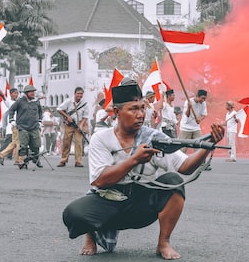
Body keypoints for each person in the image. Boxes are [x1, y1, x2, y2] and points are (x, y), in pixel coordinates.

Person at [61, 80, 225, 259]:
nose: (140, 114)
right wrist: (134, 159)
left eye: (142, 108)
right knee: (74, 212)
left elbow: (184, 167)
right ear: (117, 112)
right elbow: (100, 180)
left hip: (141, 205)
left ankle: (164, 242)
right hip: (109, 202)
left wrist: (208, 145)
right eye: (133, 109)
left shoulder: (153, 137)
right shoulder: (101, 138)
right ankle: (90, 238)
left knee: (174, 182)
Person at [8, 85, 43, 169]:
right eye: (31, 92)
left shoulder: (36, 102)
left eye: (33, 92)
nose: (33, 93)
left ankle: (36, 159)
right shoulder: (20, 101)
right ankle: (21, 161)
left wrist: (40, 121)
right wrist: (12, 120)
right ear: (26, 93)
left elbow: (40, 112)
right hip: (22, 127)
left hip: (34, 126)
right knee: (23, 145)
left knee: (36, 144)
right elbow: (11, 110)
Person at [57, 87, 89, 168]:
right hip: (69, 125)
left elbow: (85, 116)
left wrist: (81, 125)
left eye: (81, 94)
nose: (79, 95)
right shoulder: (69, 101)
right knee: (66, 142)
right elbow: (59, 109)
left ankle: (78, 161)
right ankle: (63, 160)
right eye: (78, 93)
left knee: (78, 143)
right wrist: (67, 116)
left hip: (78, 125)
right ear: (74, 94)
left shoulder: (85, 103)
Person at [0, 78, 20, 165]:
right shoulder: (9, 102)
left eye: (17, 93)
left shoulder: (19, 102)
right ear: (10, 94)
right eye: (14, 93)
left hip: (20, 126)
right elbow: (2, 94)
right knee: (9, 142)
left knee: (17, 143)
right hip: (11, 126)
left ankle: (16, 159)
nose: (16, 95)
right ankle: (1, 153)